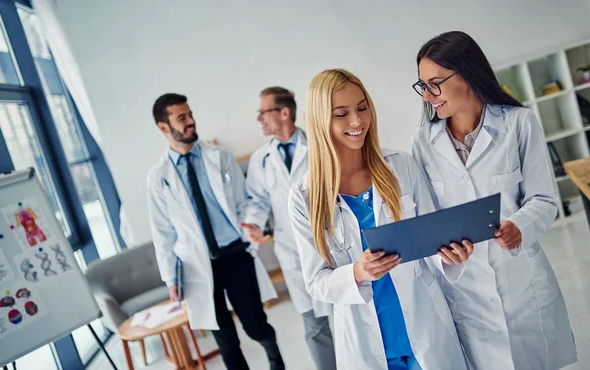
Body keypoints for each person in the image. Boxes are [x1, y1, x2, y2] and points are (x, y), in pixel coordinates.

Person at [411, 31, 577, 370]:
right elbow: (428, 217)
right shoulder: (423, 143)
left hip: (521, 284)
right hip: (467, 291)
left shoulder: (518, 123)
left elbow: (544, 198)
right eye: (422, 86)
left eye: (434, 84)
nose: (428, 96)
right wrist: (447, 255)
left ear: (466, 74)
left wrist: (518, 226)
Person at [288, 69, 472, 370]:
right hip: (367, 346)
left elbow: (431, 241)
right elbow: (316, 282)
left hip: (425, 335)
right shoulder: (305, 196)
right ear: (321, 120)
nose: (357, 121)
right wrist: (357, 273)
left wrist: (451, 256)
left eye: (362, 108)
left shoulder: (401, 166)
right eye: (341, 114)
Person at [147, 93, 285, 370]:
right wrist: (171, 279)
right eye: (181, 118)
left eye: (190, 114)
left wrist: (251, 224)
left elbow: (243, 202)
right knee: (225, 340)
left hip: (235, 254)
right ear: (164, 128)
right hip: (197, 265)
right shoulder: (158, 176)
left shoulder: (218, 156)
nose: (191, 122)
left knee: (255, 324)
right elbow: (163, 233)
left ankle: (275, 359)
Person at [242, 86, 336, 370]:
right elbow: (256, 199)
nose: (259, 119)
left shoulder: (321, 145)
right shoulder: (262, 159)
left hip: (330, 242)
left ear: (284, 113)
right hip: (291, 250)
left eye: (263, 112)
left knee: (351, 313)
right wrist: (255, 223)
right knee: (313, 324)